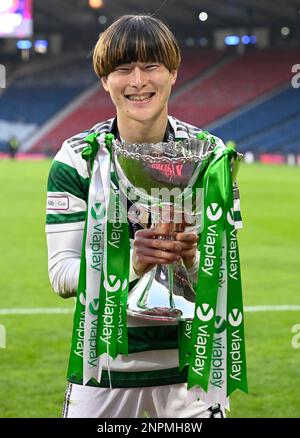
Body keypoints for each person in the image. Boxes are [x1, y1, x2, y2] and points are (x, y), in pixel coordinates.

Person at [46, 15, 241, 418]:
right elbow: (61, 275)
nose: (137, 80)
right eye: (122, 68)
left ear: (173, 72)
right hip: (104, 367)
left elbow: (225, 273)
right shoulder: (76, 159)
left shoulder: (209, 156)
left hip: (192, 369)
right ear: (105, 79)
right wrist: (130, 265)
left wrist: (191, 258)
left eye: (151, 65)